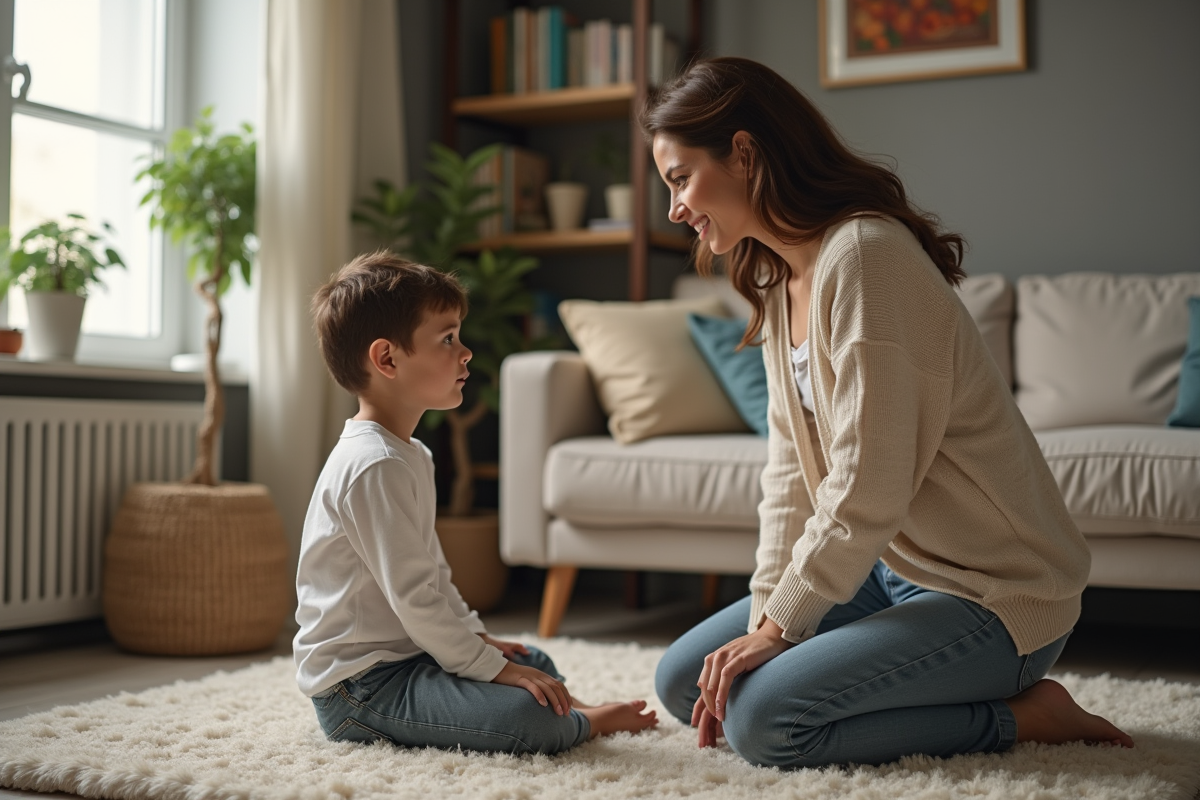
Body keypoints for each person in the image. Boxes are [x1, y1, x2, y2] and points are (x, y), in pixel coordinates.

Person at [642, 57, 1133, 769]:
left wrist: (782, 632)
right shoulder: (782, 279)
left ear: (743, 153)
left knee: (767, 723)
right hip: (887, 567)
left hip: (992, 594)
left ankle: (1026, 716)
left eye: (680, 178)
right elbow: (789, 482)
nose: (674, 209)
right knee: (689, 683)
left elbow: (868, 481)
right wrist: (765, 617)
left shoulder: (866, 258)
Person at [295, 251, 657, 754]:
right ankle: (581, 722)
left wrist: (478, 641)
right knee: (530, 716)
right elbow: (415, 600)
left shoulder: (411, 455)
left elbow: (432, 574)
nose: (466, 353)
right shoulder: (373, 465)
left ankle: (569, 708)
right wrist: (488, 667)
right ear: (387, 359)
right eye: (447, 339)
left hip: (413, 656)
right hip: (361, 689)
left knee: (533, 663)